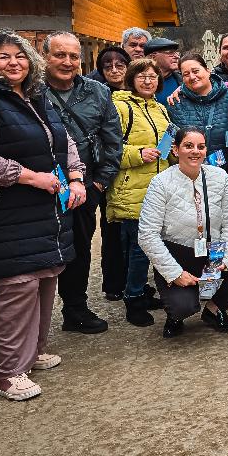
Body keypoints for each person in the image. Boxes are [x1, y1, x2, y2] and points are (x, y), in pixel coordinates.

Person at [0, 29, 85, 401]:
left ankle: (32, 353)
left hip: (43, 210)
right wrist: (30, 177)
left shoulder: (36, 97)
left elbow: (65, 141)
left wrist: (75, 176)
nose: (14, 63)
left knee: (44, 278)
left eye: (20, 55)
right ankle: (7, 373)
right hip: (3, 212)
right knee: (17, 285)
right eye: (4, 56)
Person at [138, 127, 228, 337]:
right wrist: (174, 274)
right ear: (176, 150)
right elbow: (147, 234)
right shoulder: (160, 183)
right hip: (179, 255)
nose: (195, 151)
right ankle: (175, 314)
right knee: (183, 307)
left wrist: (226, 259)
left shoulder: (220, 177)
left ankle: (214, 309)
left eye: (201, 147)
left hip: (213, 250)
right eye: (188, 146)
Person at [41, 32, 123, 335]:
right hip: (41, 186)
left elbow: (112, 140)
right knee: (42, 250)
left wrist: (99, 183)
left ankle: (75, 308)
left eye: (73, 56)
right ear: (45, 57)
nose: (67, 62)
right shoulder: (30, 91)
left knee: (79, 248)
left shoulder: (97, 92)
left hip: (84, 187)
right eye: (59, 55)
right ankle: (34, 318)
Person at [107, 57, 172, 327]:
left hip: (158, 189)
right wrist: (139, 153)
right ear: (131, 79)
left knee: (154, 246)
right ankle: (133, 299)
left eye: (153, 76)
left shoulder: (160, 108)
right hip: (132, 190)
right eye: (142, 76)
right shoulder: (120, 107)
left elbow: (165, 146)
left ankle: (142, 291)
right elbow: (109, 148)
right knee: (139, 249)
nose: (148, 81)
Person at [86, 45, 133, 299]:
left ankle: (134, 281)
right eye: (108, 66)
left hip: (135, 173)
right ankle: (114, 284)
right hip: (108, 171)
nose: (114, 70)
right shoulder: (97, 96)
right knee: (112, 229)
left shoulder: (137, 92)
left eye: (120, 65)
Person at [167, 53, 228, 156]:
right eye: (186, 74)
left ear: (208, 71)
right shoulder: (176, 103)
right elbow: (168, 144)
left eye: (195, 71)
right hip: (189, 164)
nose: (192, 77)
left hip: (227, 164)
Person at [144, 36, 182, 101]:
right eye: (170, 52)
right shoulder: (139, 82)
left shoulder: (184, 80)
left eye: (176, 53)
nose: (177, 56)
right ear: (153, 57)